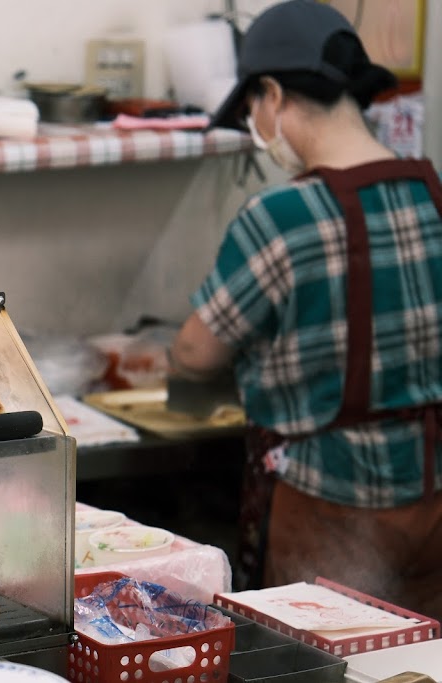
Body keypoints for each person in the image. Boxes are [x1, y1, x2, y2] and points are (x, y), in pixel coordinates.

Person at [170, 0, 442, 622]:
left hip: (331, 504)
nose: (256, 126)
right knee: (418, 663)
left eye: (251, 110)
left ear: (271, 93)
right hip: (433, 503)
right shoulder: (434, 193)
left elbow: (194, 352)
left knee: (317, 665)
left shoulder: (281, 217)